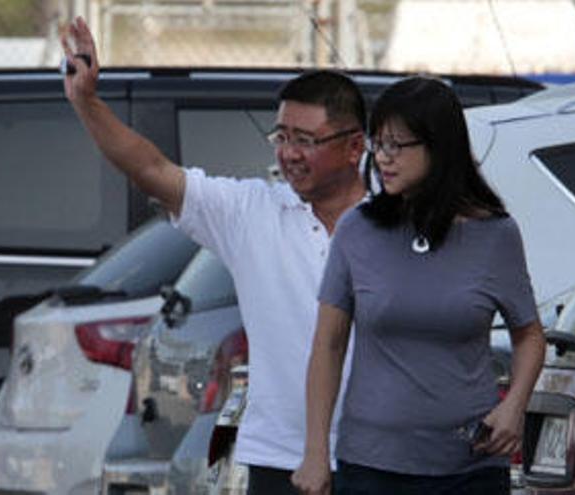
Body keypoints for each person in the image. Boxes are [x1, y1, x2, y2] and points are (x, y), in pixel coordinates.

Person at [60, 17, 366, 495]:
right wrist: (87, 101)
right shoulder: (252, 211)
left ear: (355, 147)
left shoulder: (393, 221)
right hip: (281, 459)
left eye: (305, 140)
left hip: (384, 457)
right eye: (280, 136)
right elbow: (150, 167)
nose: (288, 153)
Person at [291, 77, 546, 495]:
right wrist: (315, 451)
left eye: (397, 145)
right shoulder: (358, 229)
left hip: (471, 467)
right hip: (372, 466)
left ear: (438, 148)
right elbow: (328, 346)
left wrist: (514, 405)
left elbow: (530, 335)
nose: (383, 159)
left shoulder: (495, 234)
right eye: (378, 144)